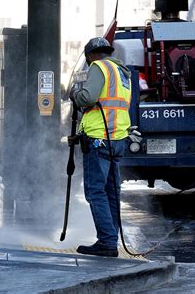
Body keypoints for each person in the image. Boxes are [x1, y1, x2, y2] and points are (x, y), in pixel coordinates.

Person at [70, 37, 137, 258]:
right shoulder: (122, 73)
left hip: (99, 138)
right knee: (111, 191)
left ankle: (107, 241)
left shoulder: (99, 67)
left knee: (95, 191)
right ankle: (111, 237)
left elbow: (88, 97)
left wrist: (76, 95)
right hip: (117, 138)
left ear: (90, 56)